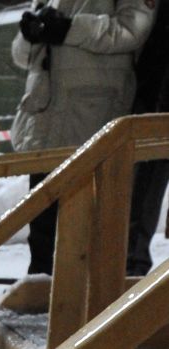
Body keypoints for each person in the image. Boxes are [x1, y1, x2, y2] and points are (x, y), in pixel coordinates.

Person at [11, 0, 153, 275]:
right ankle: (41, 293)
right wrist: (29, 35)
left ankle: (82, 302)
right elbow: (23, 58)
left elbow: (132, 30)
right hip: (45, 118)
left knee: (86, 223)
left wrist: (70, 28)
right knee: (41, 223)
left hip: (91, 116)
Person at [126, 3, 169, 276]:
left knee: (144, 192)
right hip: (152, 101)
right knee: (142, 192)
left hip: (156, 107)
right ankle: (132, 266)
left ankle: (132, 265)